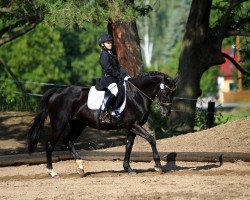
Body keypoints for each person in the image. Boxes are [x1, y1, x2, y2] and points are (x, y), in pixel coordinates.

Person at [98, 33, 128, 124]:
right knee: (115, 90)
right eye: (108, 43)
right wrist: (119, 75)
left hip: (115, 79)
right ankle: (104, 113)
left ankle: (120, 111)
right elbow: (108, 69)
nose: (110, 44)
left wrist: (126, 74)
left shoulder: (111, 53)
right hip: (108, 80)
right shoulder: (104, 55)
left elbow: (118, 66)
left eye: (110, 42)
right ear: (103, 45)